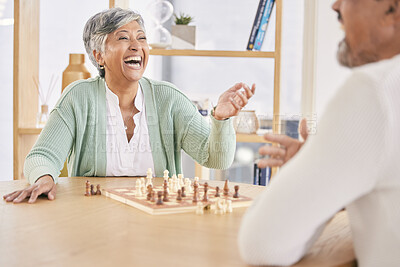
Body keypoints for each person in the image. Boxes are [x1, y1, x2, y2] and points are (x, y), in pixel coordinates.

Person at [3, 8, 255, 204]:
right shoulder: (78, 97)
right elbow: (42, 156)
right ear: (99, 55)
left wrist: (220, 119)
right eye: (123, 38)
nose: (137, 46)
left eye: (142, 38)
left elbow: (215, 158)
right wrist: (44, 177)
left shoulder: (168, 98)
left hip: (157, 215)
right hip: (91, 216)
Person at [238, 0, 400, 266]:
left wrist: (308, 167)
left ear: (392, 9)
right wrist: (329, 170)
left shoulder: (374, 90)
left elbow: (262, 245)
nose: (335, 6)